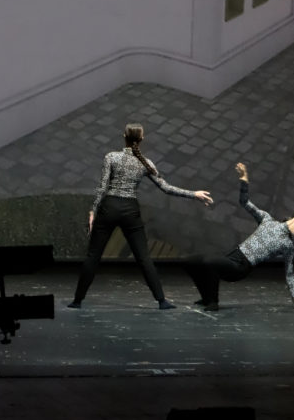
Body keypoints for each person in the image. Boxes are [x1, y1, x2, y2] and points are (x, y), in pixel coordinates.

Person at [68, 123, 213, 310]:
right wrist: (194, 194)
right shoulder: (146, 163)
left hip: (109, 207)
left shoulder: (111, 157)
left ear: (124, 137)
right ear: (142, 139)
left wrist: (92, 211)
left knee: (93, 256)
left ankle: (77, 301)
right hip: (130, 210)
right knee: (144, 257)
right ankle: (162, 301)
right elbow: (166, 188)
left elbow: (102, 187)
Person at [185, 162, 294, 311]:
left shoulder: (289, 245)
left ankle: (213, 302)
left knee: (209, 262)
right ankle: (206, 298)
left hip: (241, 267)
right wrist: (244, 179)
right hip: (232, 257)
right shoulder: (267, 219)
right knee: (190, 262)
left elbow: (289, 273)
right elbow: (245, 202)